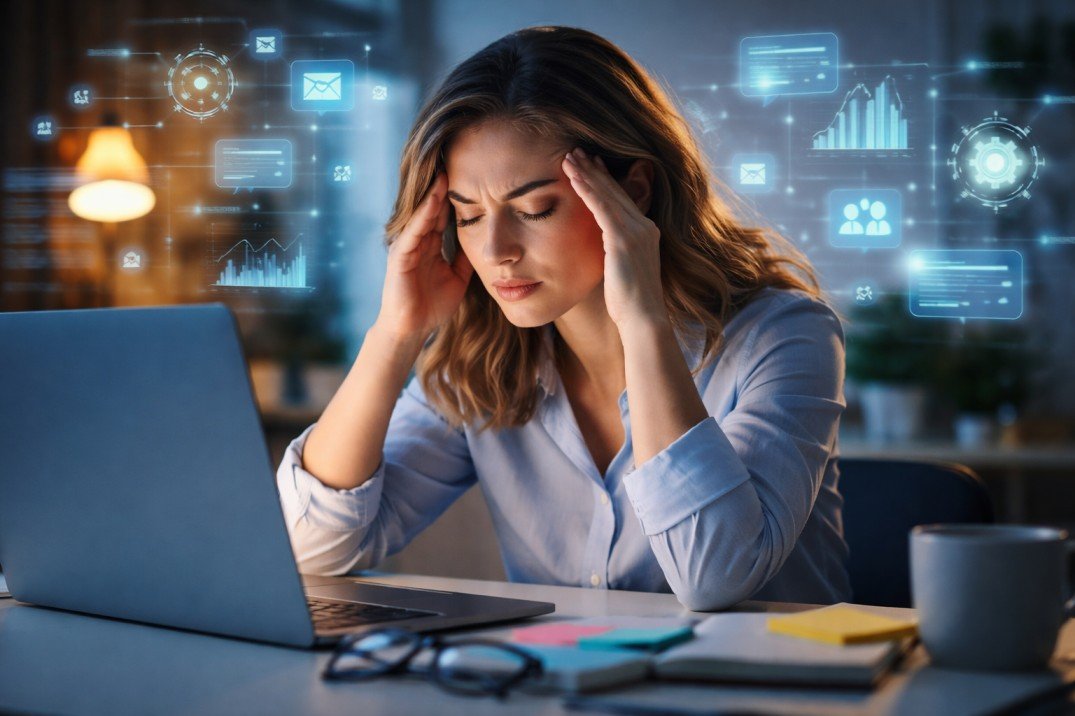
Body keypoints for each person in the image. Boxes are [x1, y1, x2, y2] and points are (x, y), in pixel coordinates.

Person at [276, 26, 851, 611]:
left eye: (534, 209)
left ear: (634, 192)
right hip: (560, 693)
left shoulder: (784, 336)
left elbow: (714, 575)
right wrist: (395, 335)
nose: (496, 249)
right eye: (469, 216)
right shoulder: (484, 364)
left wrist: (644, 320)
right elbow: (310, 548)